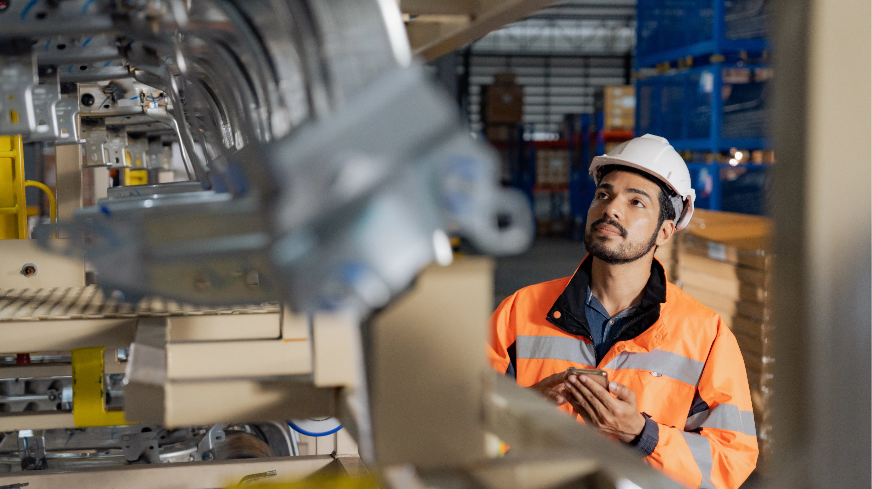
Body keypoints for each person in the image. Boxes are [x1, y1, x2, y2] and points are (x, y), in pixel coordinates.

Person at [488, 134, 758, 489]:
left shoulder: (706, 335)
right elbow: (460, 426)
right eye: (604, 194)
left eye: (636, 202)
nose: (611, 208)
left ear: (664, 231)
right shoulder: (519, 311)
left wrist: (642, 434)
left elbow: (731, 461)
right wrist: (526, 409)